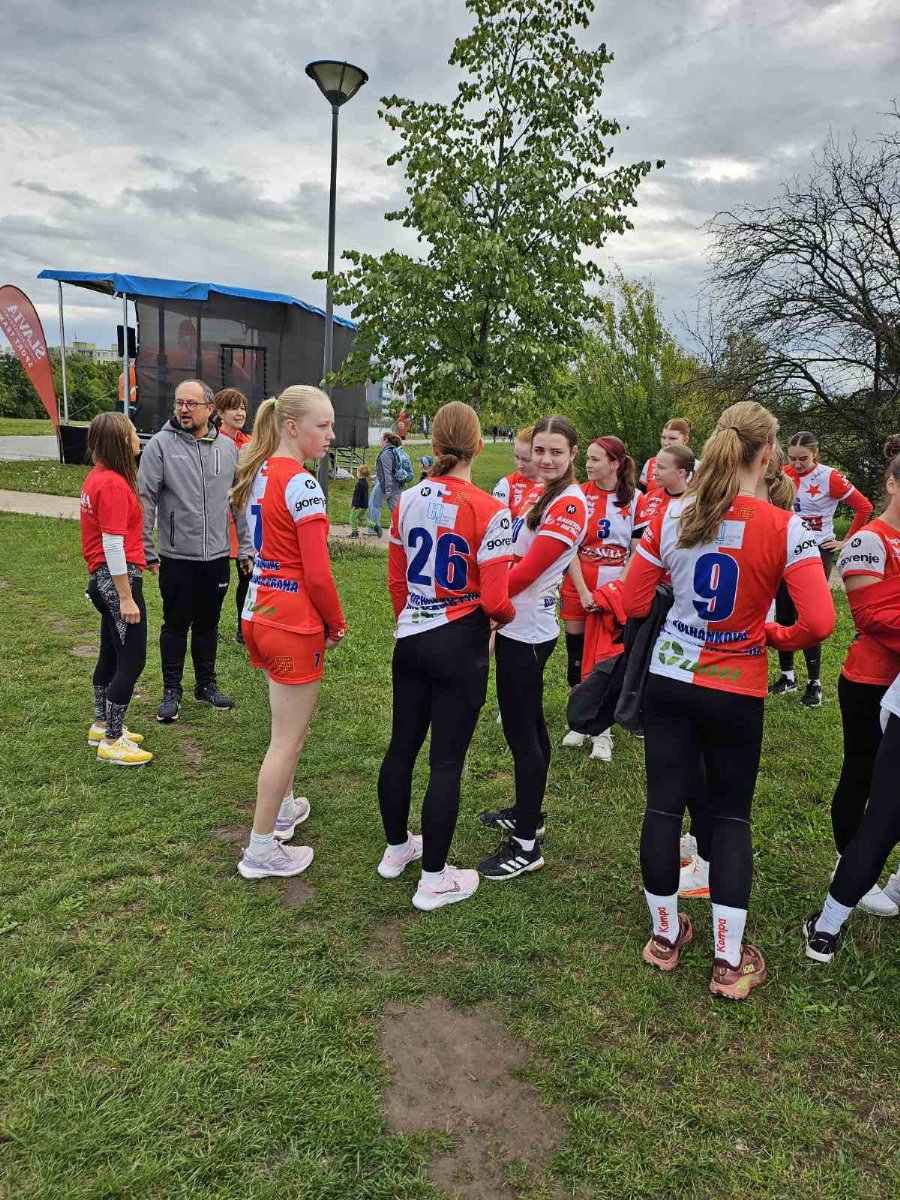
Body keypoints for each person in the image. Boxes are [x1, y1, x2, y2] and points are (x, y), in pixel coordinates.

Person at [619, 401, 835, 1000]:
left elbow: (633, 602)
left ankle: (665, 937)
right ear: (768, 456)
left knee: (663, 808)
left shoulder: (673, 513)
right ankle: (727, 959)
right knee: (731, 816)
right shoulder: (787, 527)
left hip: (670, 678)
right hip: (736, 685)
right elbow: (820, 622)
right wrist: (774, 635)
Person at [378, 401, 515, 910]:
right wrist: (502, 619)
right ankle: (433, 878)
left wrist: (412, 617)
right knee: (446, 763)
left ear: (434, 446)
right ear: (478, 446)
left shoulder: (407, 500)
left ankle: (397, 849)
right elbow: (497, 600)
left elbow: (397, 579)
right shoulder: (491, 509)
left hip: (413, 635)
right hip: (460, 640)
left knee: (401, 748)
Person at [231, 385, 347, 881]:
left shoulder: (260, 470)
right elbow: (318, 574)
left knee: (282, 727)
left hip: (259, 611)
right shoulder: (302, 483)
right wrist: (336, 622)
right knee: (287, 740)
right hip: (291, 620)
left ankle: (282, 811)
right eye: (323, 425)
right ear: (292, 427)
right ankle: (261, 849)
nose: (331, 434)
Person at [478, 415, 588, 880]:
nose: (545, 459)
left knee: (522, 733)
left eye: (555, 452)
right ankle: (530, 812)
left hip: (525, 630)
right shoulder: (546, 493)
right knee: (530, 725)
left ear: (572, 454)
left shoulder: (569, 503)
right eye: (539, 450)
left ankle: (525, 845)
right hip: (520, 625)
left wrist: (482, 603)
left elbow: (525, 572)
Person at [139, 380, 253, 722]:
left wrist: (245, 547)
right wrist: (147, 548)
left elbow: (239, 502)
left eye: (191, 403)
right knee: (175, 624)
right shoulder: (160, 445)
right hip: (177, 557)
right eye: (179, 403)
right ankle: (171, 690)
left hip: (216, 557)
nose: (183, 409)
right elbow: (146, 499)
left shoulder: (228, 449)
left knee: (208, 623)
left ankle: (206, 685)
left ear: (209, 409)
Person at [823, 435, 900, 919]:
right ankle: (847, 863)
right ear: (891, 483)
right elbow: (871, 616)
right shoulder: (869, 540)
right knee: (863, 771)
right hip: (871, 679)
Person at [769, 431, 872, 706]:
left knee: (809, 616)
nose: (797, 464)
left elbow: (864, 506)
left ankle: (814, 683)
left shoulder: (830, 477)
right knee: (784, 612)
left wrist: (846, 541)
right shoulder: (784, 473)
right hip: (785, 548)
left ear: (815, 454)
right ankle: (787, 676)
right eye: (792, 458)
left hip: (815, 550)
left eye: (803, 458)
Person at [559, 436, 641, 762]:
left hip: (614, 593)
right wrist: (582, 591)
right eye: (588, 458)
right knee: (576, 656)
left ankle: (603, 732)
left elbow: (638, 552)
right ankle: (580, 721)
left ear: (614, 463)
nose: (588, 464)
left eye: (595, 459)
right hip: (578, 586)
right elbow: (569, 547)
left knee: (606, 662)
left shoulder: (636, 499)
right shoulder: (578, 495)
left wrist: (614, 590)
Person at [80, 412, 152, 766]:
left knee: (110, 653)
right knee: (132, 659)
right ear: (123, 441)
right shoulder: (112, 484)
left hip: (103, 579)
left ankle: (101, 724)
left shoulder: (98, 477)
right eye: (135, 433)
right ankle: (111, 740)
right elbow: (112, 543)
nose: (139, 438)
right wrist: (126, 596)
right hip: (116, 580)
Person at [214, 388, 253, 644]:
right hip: (218, 523)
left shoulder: (249, 443)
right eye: (234, 408)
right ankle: (209, 625)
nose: (240, 413)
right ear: (219, 412)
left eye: (243, 408)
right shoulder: (211, 441)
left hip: (243, 522)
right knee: (216, 582)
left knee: (247, 577)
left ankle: (243, 629)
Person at [492, 425, 544, 553]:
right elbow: (495, 528)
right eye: (516, 457)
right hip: (509, 555)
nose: (519, 465)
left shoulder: (555, 486)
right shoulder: (507, 484)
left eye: (526, 460)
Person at [638, 418, 694, 493]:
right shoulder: (651, 462)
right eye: (663, 437)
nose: (666, 442)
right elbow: (640, 494)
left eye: (672, 438)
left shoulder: (698, 467)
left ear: (685, 440)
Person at [368, 431, 406, 536]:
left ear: (386, 440)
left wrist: (387, 488)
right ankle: (404, 530)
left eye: (381, 439)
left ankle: (373, 530)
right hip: (397, 485)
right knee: (396, 509)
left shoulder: (386, 454)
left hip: (385, 484)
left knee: (374, 505)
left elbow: (386, 472)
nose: (380, 441)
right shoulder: (396, 451)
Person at [349, 464, 371, 538]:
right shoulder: (366, 483)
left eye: (357, 472)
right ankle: (375, 527)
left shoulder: (359, 484)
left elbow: (357, 496)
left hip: (358, 505)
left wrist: (355, 505)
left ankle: (354, 533)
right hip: (364, 505)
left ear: (359, 474)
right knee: (362, 518)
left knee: (352, 518)